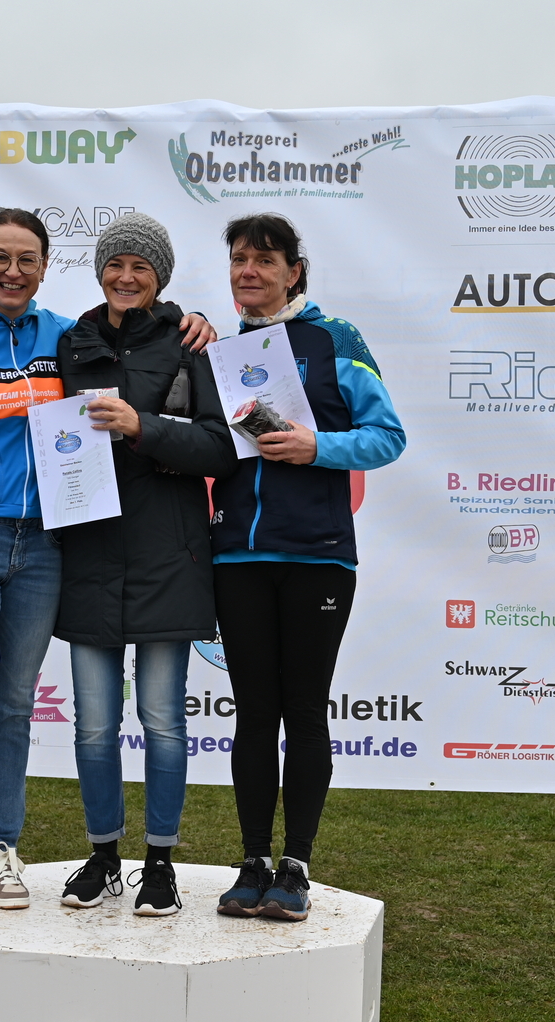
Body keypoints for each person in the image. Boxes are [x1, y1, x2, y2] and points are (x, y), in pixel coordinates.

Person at [0, 208, 212, 913]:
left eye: (27, 260)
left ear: (44, 267)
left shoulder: (64, 337)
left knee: (12, 706)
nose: (13, 271)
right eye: (0, 258)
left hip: (42, 544)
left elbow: (134, 334)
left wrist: (194, 322)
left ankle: (0, 846)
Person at [210, 214, 405, 924]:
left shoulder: (336, 340)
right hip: (237, 554)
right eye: (239, 259)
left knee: (305, 710)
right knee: (254, 714)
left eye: (265, 260)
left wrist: (315, 446)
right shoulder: (221, 350)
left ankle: (296, 865)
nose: (249, 271)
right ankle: (252, 861)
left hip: (318, 555)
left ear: (294, 272)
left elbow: (387, 437)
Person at [52, 214, 237, 916]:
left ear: (160, 277)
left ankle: (159, 863)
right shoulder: (71, 342)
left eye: (141, 267)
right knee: (93, 727)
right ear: (100, 269)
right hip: (90, 557)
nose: (126, 277)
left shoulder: (190, 342)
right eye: (116, 264)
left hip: (169, 557)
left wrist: (143, 427)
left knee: (162, 722)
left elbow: (221, 448)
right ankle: (103, 858)